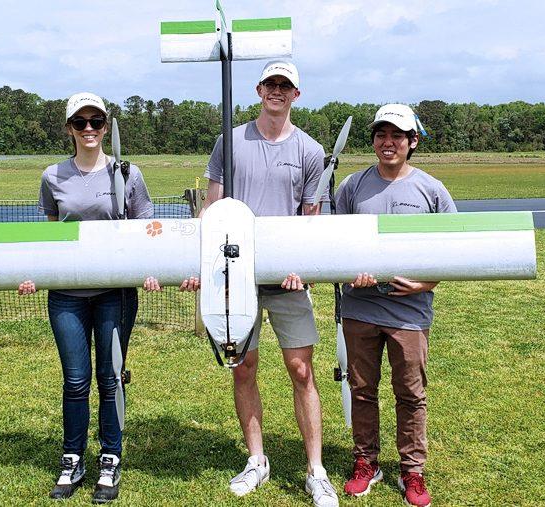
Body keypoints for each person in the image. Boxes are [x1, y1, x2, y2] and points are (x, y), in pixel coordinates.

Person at [144, 60, 338, 507]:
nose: (276, 91)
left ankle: (316, 469)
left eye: (284, 86)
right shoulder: (229, 141)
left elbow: (309, 219)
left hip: (287, 281)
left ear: (296, 95)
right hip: (234, 278)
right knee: (244, 368)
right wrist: (203, 265)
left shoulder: (310, 150)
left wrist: (300, 266)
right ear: (258, 90)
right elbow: (211, 210)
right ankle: (256, 460)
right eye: (270, 84)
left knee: (302, 370)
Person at [18, 92, 154, 504]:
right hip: (67, 297)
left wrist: (151, 270)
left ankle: (110, 458)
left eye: (97, 121)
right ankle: (73, 457)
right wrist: (33, 275)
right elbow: (50, 236)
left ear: (106, 126)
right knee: (76, 381)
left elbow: (145, 228)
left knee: (110, 378)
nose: (90, 129)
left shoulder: (128, 173)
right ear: (69, 129)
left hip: (115, 295)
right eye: (81, 122)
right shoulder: (53, 176)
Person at [332, 104, 454, 507]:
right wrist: (351, 273)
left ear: (412, 142)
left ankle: (412, 471)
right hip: (360, 309)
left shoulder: (431, 189)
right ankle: (366, 463)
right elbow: (333, 243)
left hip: (410, 313)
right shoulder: (352, 186)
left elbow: (454, 248)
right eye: (381, 135)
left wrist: (425, 282)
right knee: (362, 390)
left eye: (397, 136)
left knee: (411, 393)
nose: (388, 143)